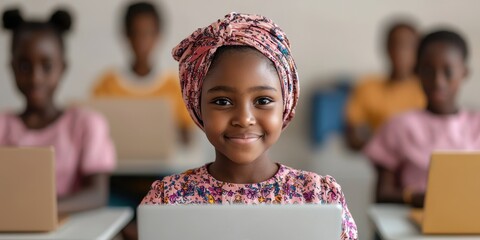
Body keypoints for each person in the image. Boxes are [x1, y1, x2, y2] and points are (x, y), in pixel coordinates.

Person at [141, 13, 358, 239]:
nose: (244, 119)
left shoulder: (318, 197)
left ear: (286, 104)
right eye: (222, 102)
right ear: (197, 106)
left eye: (262, 101)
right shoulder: (167, 200)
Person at [0, 8, 116, 214]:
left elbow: (97, 194)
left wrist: (37, 212)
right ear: (12, 67)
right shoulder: (3, 126)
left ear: (62, 67)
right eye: (25, 66)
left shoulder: (86, 124)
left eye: (46, 66)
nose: (36, 78)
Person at [365, 29, 480, 207]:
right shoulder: (399, 126)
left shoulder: (476, 124)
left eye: (448, 72)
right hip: (410, 223)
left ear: (464, 72)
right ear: (417, 71)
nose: (438, 81)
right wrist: (415, 198)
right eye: (428, 71)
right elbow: (382, 193)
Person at [91, 1, 193, 143]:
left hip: (163, 164)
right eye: (135, 33)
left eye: (148, 33)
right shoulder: (106, 85)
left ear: (158, 35)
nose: (142, 41)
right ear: (126, 35)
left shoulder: (174, 86)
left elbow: (187, 138)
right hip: (116, 164)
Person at [345, 21, 425, 151]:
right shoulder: (367, 86)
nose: (400, 52)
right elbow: (352, 138)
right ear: (386, 48)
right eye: (395, 45)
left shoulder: (428, 89)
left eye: (407, 46)